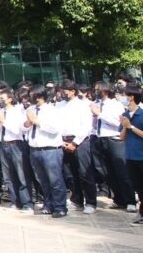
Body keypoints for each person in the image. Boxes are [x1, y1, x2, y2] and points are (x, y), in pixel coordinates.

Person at [93, 82, 137, 212]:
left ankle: (131, 201)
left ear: (105, 90)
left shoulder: (115, 104)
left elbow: (119, 123)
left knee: (122, 171)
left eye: (97, 90)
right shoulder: (97, 104)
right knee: (108, 173)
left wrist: (100, 114)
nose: (95, 92)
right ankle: (118, 199)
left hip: (114, 139)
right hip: (101, 139)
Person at [27, 85, 68, 218]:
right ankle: (48, 204)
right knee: (42, 180)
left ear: (40, 96)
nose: (30, 98)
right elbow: (26, 127)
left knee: (55, 180)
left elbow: (54, 128)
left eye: (33, 95)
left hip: (50, 149)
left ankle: (60, 206)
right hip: (35, 149)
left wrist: (37, 121)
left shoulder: (51, 110)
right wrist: (28, 122)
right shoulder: (31, 109)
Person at [58, 79, 97, 214]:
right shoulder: (59, 106)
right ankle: (77, 200)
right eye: (61, 91)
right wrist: (61, 141)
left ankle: (91, 202)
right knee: (69, 174)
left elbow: (86, 125)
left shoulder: (82, 105)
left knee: (84, 173)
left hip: (80, 142)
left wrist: (75, 143)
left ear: (73, 91)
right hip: (64, 141)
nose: (62, 94)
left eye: (65, 91)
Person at [0, 88, 34, 212]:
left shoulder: (17, 111)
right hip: (3, 144)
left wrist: (3, 121)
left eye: (2, 98)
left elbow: (17, 130)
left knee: (21, 175)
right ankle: (14, 201)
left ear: (10, 99)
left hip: (15, 144)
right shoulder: (0, 112)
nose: (0, 100)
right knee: (8, 176)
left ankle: (27, 203)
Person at [118, 87, 143, 225]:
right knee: (138, 187)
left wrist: (130, 127)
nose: (122, 97)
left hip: (141, 156)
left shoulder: (142, 114)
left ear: (131, 97)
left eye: (124, 95)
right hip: (130, 156)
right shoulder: (125, 114)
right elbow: (122, 137)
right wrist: (124, 126)